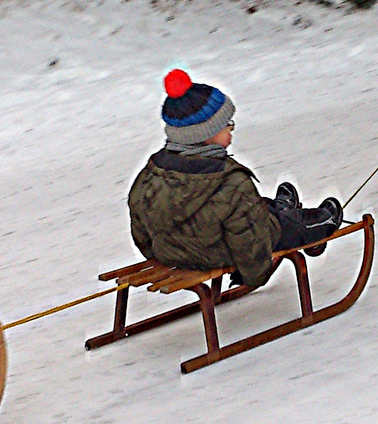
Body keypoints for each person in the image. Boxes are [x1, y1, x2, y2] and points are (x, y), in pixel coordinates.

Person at [128, 70, 342, 289]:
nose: (231, 129)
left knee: (250, 208)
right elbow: (249, 246)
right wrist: (254, 276)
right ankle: (321, 222)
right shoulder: (231, 183)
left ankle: (280, 209)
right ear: (206, 134)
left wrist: (162, 253)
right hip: (219, 253)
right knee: (277, 225)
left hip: (170, 252)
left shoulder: (151, 172)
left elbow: (141, 231)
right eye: (227, 124)